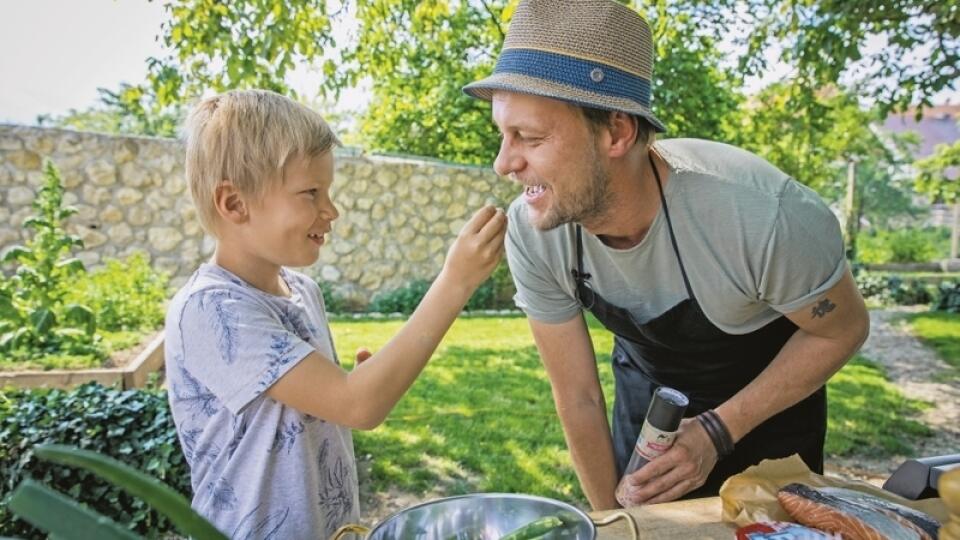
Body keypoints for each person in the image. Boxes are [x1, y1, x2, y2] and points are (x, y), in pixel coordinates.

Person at [463, 0, 869, 509]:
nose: (504, 163)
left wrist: (718, 431)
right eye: (502, 134)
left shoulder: (760, 215)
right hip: (649, 407)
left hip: (769, 418)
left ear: (616, 131)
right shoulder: (536, 231)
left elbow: (843, 327)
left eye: (530, 137)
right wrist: (613, 522)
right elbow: (579, 398)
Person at [165, 89, 506, 538]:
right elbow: (357, 404)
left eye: (327, 191)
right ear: (233, 204)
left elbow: (341, 402)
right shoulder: (210, 309)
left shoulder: (302, 291)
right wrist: (456, 281)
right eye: (310, 193)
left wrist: (363, 383)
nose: (331, 210)